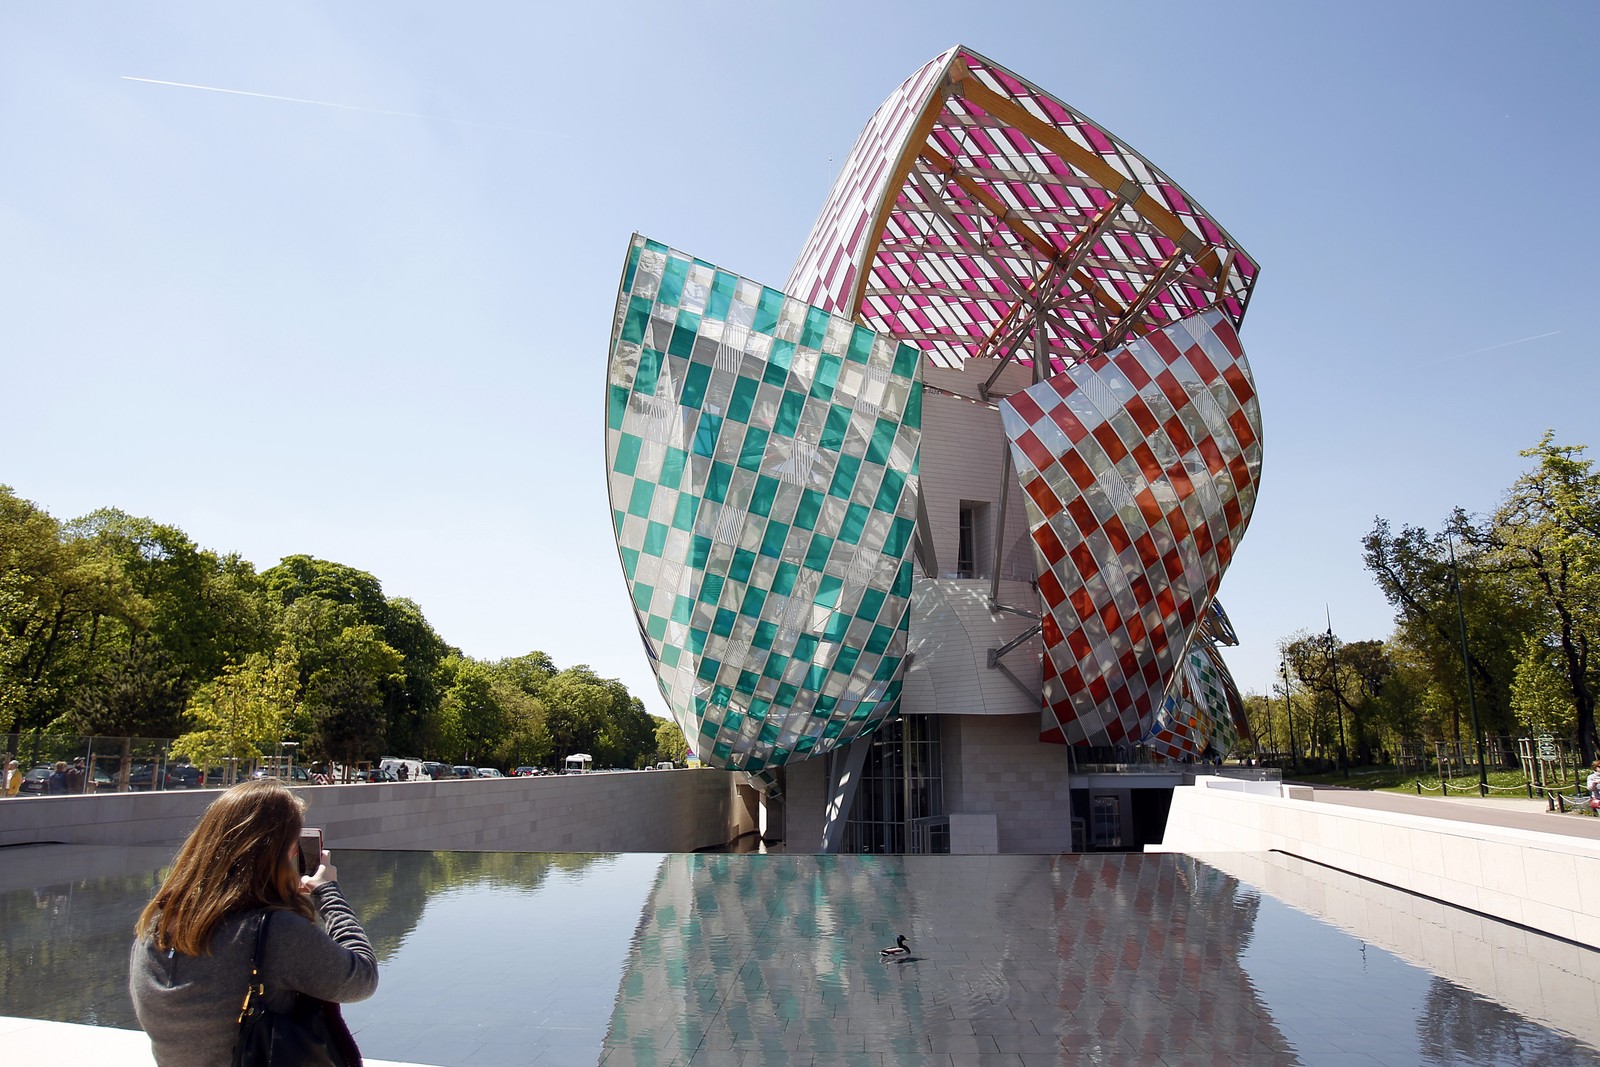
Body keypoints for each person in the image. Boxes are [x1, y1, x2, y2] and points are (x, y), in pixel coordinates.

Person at [129, 777, 378, 1065]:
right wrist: (328, 893)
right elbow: (362, 978)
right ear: (278, 854)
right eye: (293, 846)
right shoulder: (273, 931)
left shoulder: (156, 923)